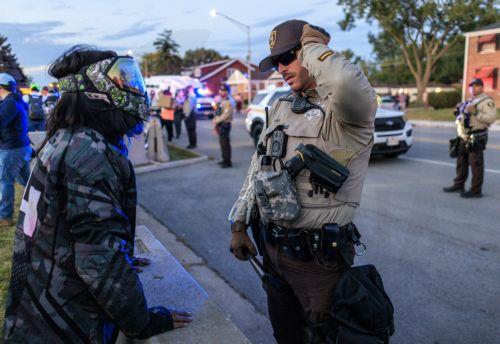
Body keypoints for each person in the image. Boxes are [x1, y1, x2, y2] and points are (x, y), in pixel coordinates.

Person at [2, 46, 192, 343]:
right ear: (97, 92)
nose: (132, 88)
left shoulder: (66, 140)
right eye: (121, 79)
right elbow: (98, 260)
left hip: (41, 313)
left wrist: (120, 253)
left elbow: (78, 235)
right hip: (63, 326)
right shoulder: (87, 153)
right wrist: (142, 322)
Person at [228, 20, 377, 343]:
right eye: (276, 62)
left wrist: (311, 43)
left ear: (311, 52)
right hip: (272, 251)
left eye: (288, 57)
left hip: (318, 264)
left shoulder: (346, 114)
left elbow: (341, 79)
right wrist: (239, 223)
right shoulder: (281, 106)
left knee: (325, 336)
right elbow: (259, 167)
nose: (281, 67)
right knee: (287, 334)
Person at [443, 78, 497, 198]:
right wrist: (457, 111)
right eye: (471, 86)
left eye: (476, 86)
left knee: (476, 163)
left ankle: (476, 190)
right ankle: (459, 185)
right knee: (461, 161)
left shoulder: (487, 101)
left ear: (482, 87)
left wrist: (476, 112)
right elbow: (462, 116)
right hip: (464, 135)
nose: (473, 88)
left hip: (477, 135)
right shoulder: (468, 101)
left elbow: (491, 118)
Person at [0, 73, 31, 227]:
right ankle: (45, 205)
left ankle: (5, 217)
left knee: (5, 182)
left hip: (11, 148)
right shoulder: (16, 100)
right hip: (20, 147)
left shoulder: (9, 104)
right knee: (28, 181)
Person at [213, 84, 234, 168]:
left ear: (227, 92)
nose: (221, 92)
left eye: (223, 91)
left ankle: (228, 161)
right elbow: (218, 112)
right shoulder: (221, 101)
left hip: (225, 124)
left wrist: (216, 120)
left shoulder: (229, 101)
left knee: (225, 143)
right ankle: (224, 159)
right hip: (221, 124)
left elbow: (226, 114)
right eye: (220, 91)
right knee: (222, 143)